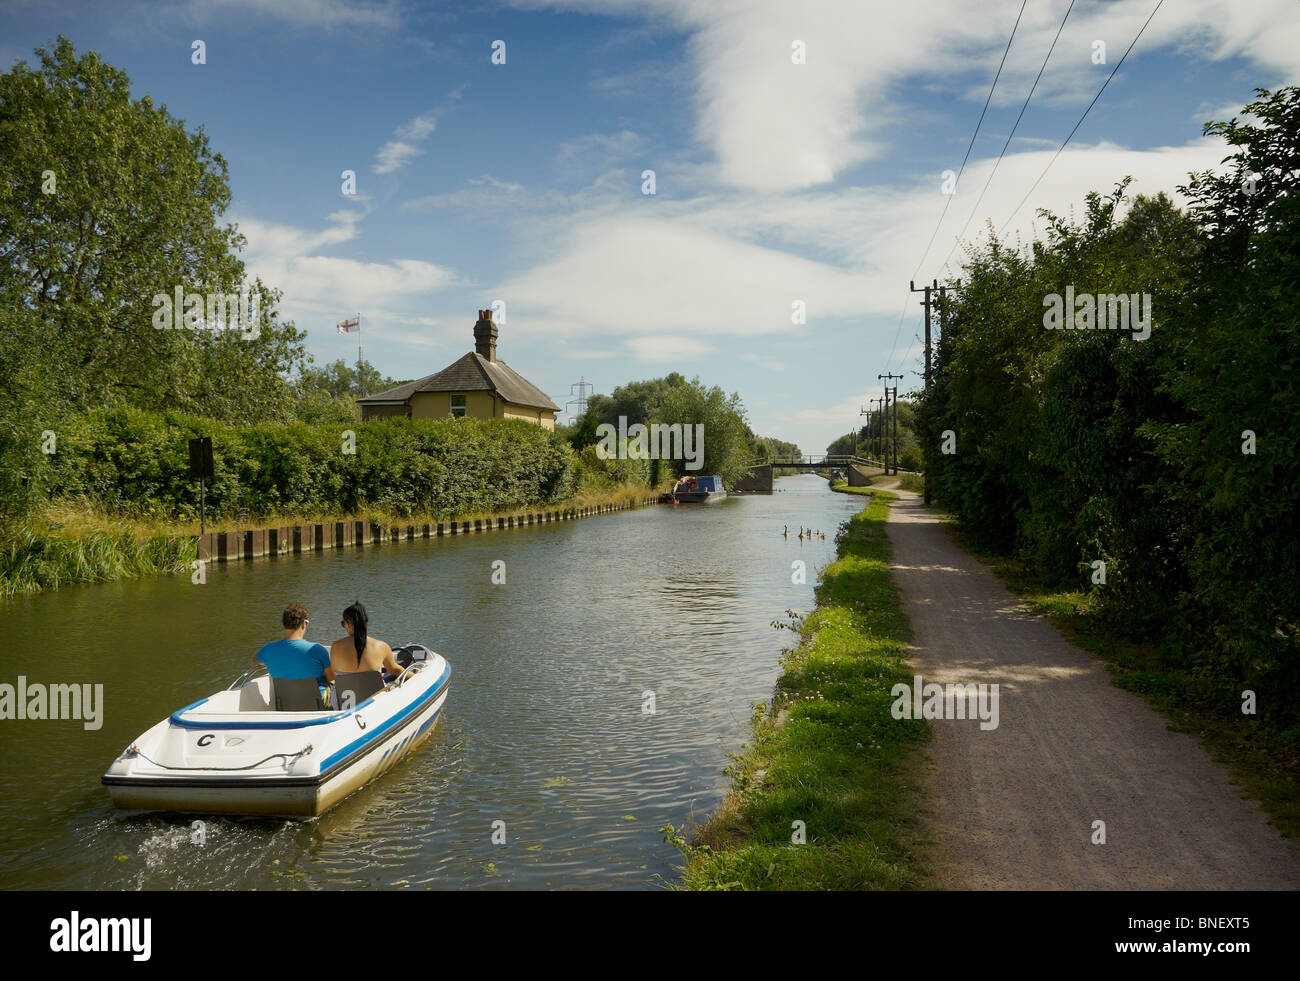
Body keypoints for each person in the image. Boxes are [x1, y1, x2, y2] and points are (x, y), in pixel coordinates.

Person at [254, 603, 334, 696]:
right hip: (317, 705)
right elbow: (331, 678)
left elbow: (256, 661)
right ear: (303, 624)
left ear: (284, 625)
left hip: (285, 706)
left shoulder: (267, 650)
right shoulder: (318, 650)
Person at [330, 601, 403, 690]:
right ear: (366, 623)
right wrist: (417, 676)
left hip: (342, 701)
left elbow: (332, 675)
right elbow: (395, 670)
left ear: (348, 624)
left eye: (343, 624)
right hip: (375, 698)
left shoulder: (335, 646)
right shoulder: (381, 646)